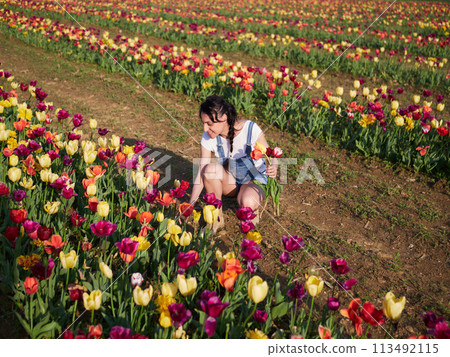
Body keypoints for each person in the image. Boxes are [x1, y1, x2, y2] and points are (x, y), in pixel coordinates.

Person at [189, 95, 278, 231]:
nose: (205, 129)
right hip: (231, 181)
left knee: (248, 201)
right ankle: (215, 220)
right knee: (209, 170)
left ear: (224, 118)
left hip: (254, 180)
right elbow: (201, 172)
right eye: (203, 123)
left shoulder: (249, 129)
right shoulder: (208, 138)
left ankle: (252, 210)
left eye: (209, 124)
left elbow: (270, 154)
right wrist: (191, 204)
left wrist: (274, 166)